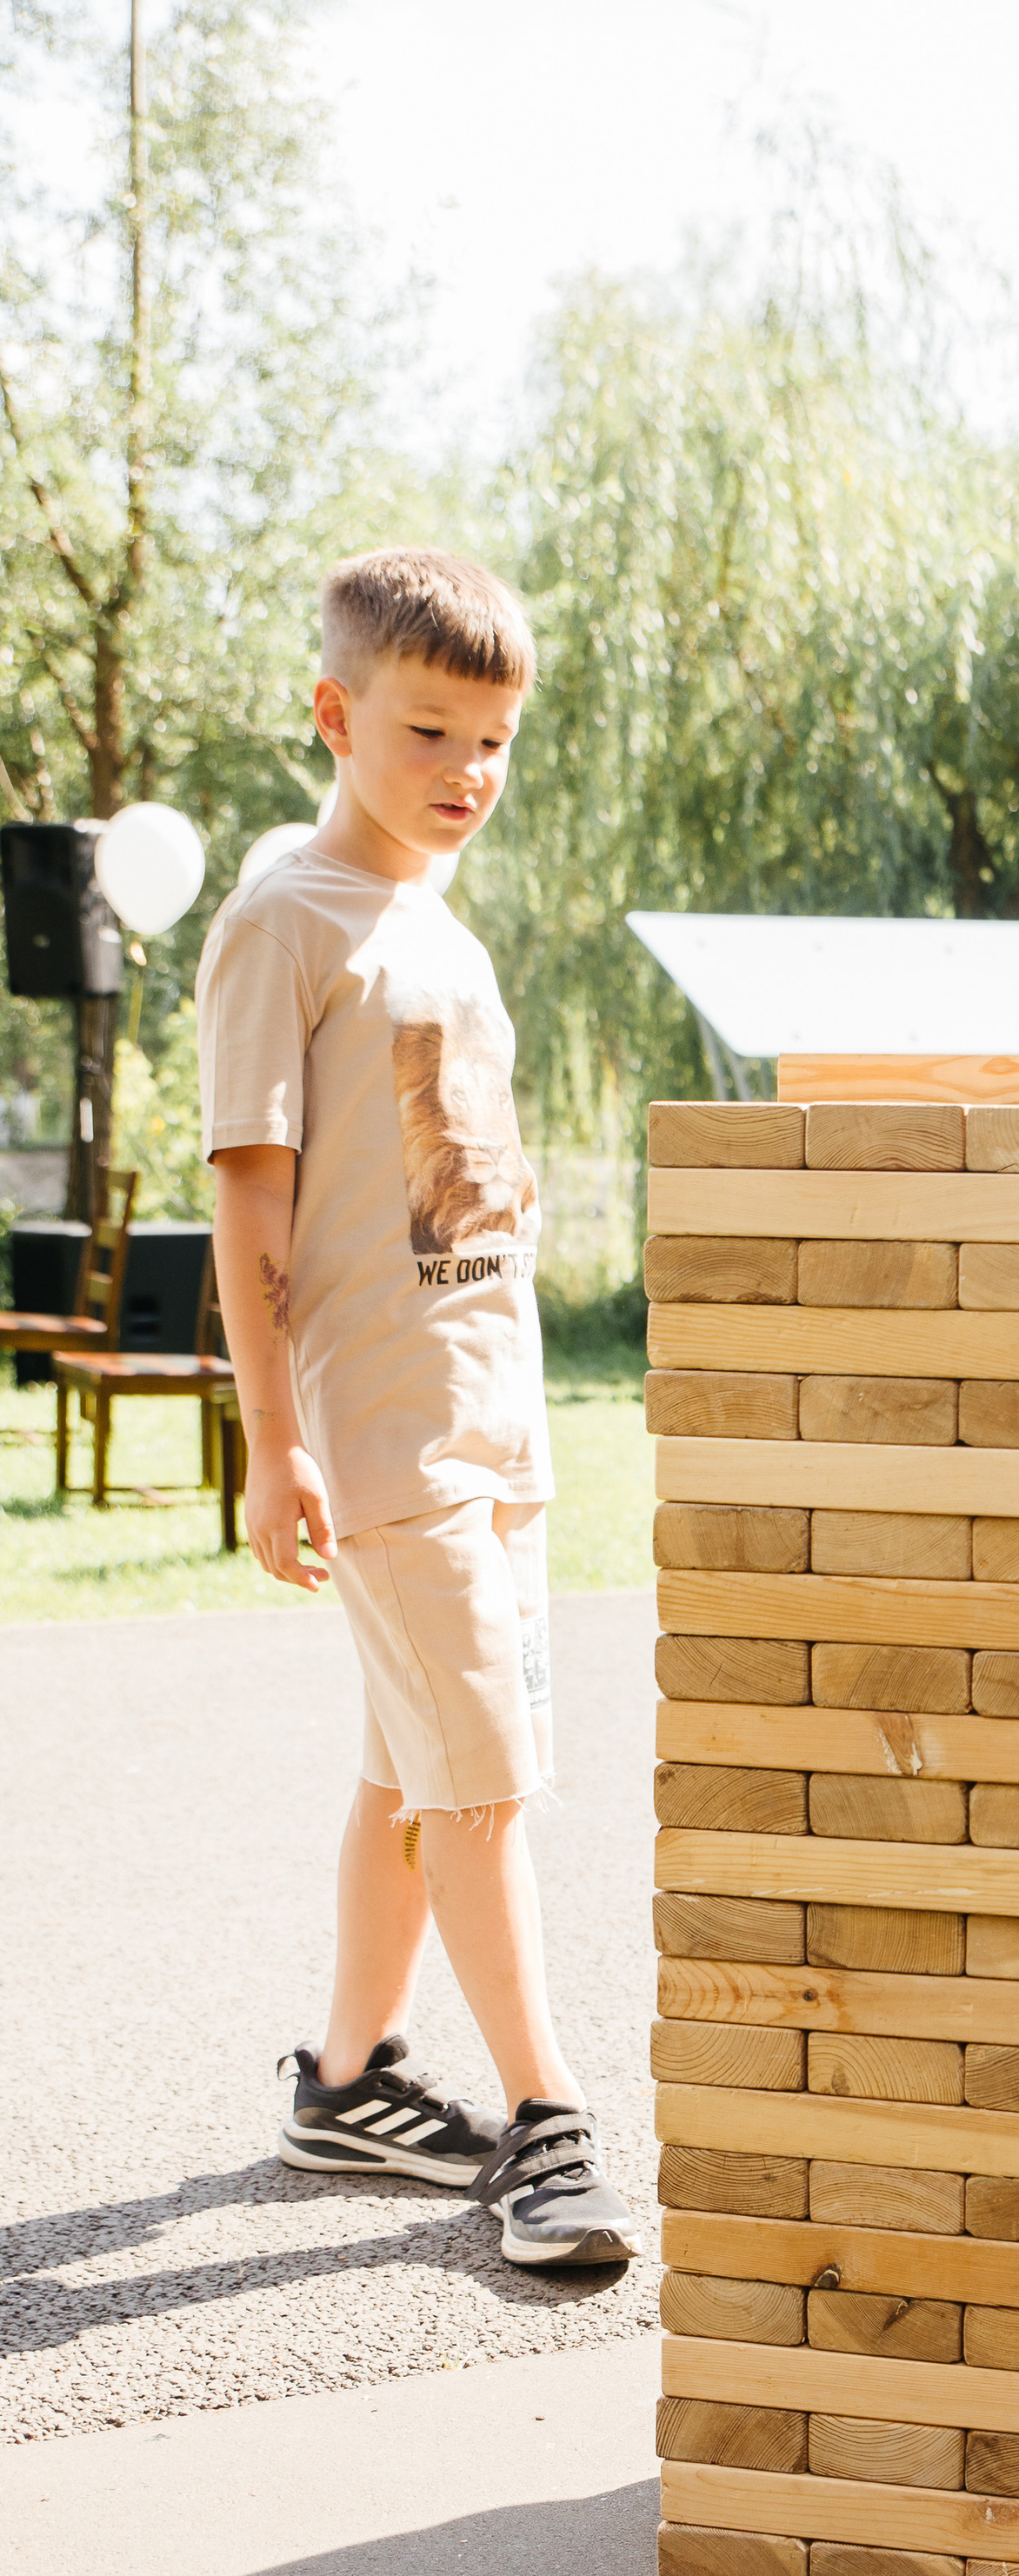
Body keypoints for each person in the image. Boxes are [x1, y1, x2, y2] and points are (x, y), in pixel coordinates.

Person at [201, 545, 641, 2271]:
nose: (469, 773)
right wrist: (273, 1439)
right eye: (430, 732)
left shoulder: (439, 929)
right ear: (336, 717)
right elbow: (251, 1203)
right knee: (483, 1788)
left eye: (498, 741)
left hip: (495, 1432)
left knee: (418, 1770)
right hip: (384, 1438)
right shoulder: (279, 923)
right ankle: (550, 2122)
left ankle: (350, 2080)